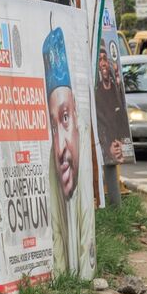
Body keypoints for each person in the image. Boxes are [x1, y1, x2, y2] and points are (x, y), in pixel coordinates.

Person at [44, 27, 94, 278]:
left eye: (65, 119)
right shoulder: (51, 171)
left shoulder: (83, 162)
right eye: (53, 126)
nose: (61, 144)